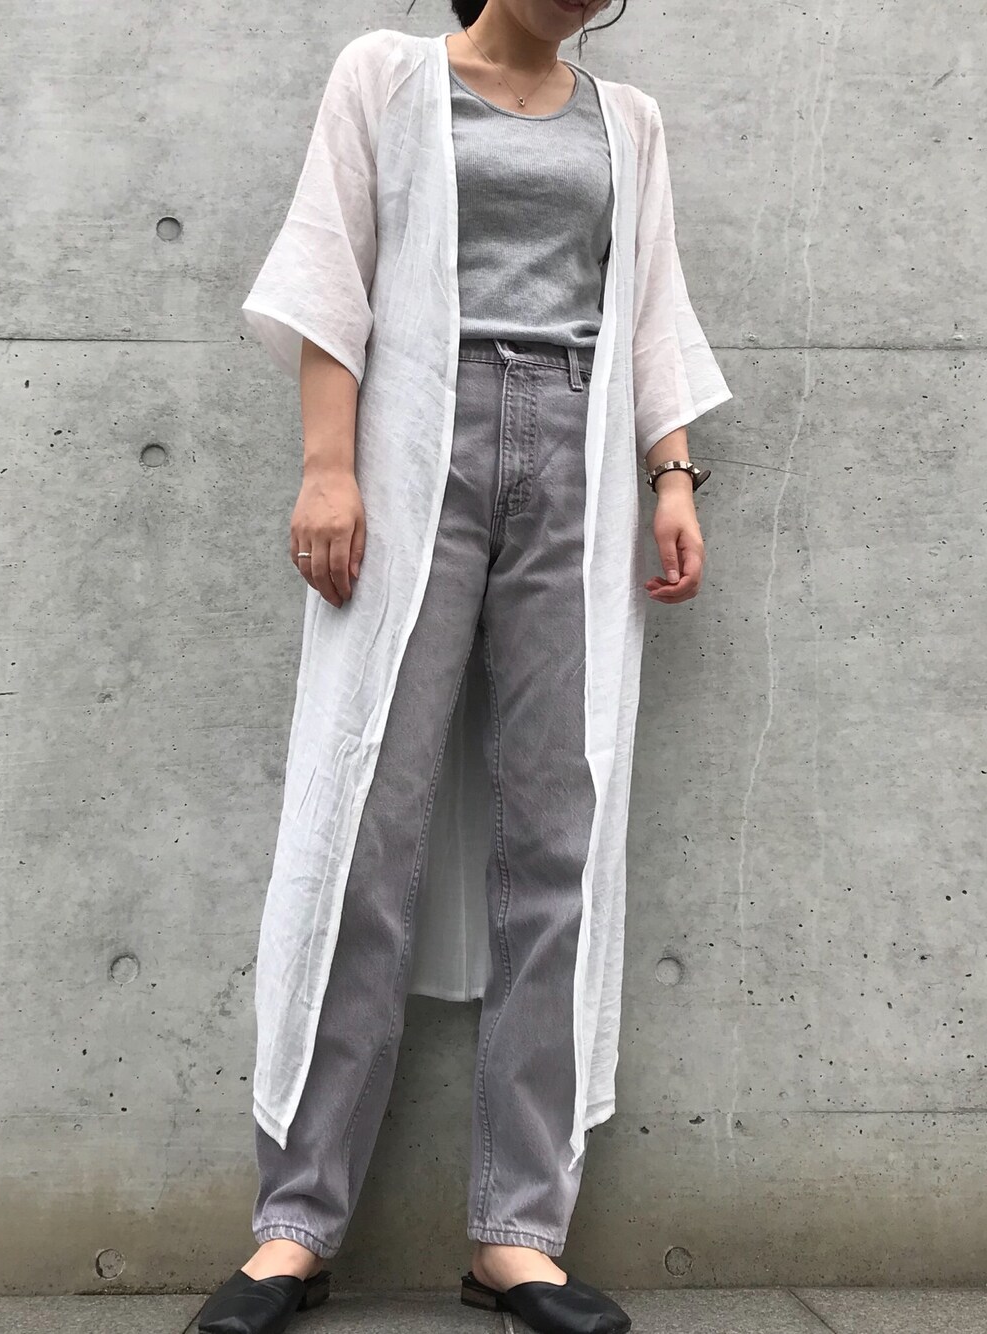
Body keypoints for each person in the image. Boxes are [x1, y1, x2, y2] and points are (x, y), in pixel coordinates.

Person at [197, 2, 732, 1332]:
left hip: (580, 456)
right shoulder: (387, 76)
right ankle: (296, 1222)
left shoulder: (629, 122)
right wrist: (327, 467)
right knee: (367, 822)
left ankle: (516, 1233)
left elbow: (650, 304)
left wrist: (673, 474)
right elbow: (333, 271)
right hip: (414, 444)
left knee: (557, 836)